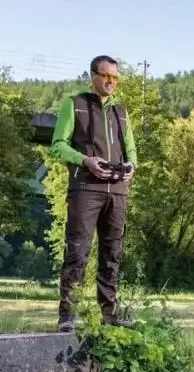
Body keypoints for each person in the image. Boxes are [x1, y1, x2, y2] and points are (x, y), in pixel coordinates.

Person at [49, 54, 138, 332]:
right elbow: (57, 146)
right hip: (86, 188)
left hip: (118, 190)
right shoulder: (74, 105)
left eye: (115, 77)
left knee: (112, 253)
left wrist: (132, 165)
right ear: (93, 76)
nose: (111, 82)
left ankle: (110, 314)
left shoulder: (121, 111)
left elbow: (131, 149)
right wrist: (85, 161)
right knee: (77, 251)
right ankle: (68, 315)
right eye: (106, 76)